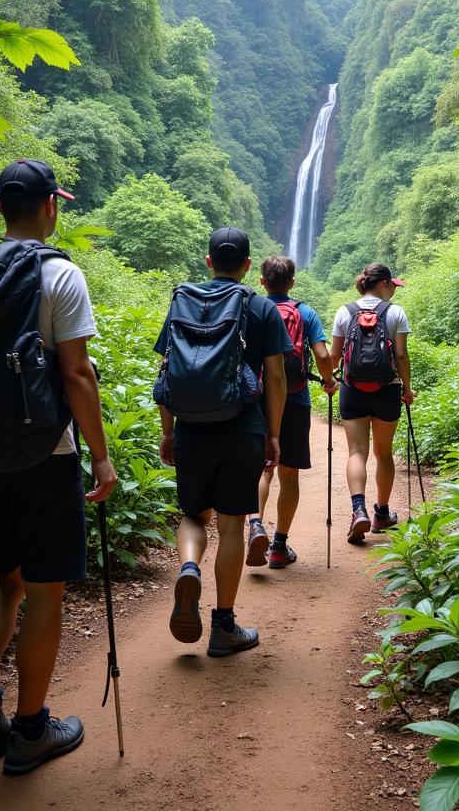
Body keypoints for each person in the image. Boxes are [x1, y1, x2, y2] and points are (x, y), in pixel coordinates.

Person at [0, 159, 117, 775]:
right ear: (51, 206)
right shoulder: (60, 275)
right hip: (46, 454)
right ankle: (31, 728)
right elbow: (75, 373)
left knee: (6, 576)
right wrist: (101, 457)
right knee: (46, 589)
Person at [155, 227, 290, 656]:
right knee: (231, 525)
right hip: (243, 429)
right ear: (249, 266)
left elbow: (167, 369)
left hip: (192, 428)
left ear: (209, 261)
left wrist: (168, 432)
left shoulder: (184, 300)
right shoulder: (262, 307)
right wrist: (273, 432)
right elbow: (277, 377)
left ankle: (189, 567)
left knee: (195, 515)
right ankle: (223, 626)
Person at [246, 255, 336, 569]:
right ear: (292, 282)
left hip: (255, 401)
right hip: (295, 401)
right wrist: (329, 380)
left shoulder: (252, 308)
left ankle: (255, 524)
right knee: (289, 474)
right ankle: (279, 546)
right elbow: (322, 354)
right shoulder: (305, 312)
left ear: (262, 281)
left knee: (262, 469)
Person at [330, 263, 414, 544]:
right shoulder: (395, 312)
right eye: (392, 286)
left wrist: (330, 381)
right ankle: (382, 513)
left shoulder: (345, 311)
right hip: (387, 391)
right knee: (384, 454)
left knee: (356, 452)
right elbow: (401, 356)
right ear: (383, 284)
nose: (393, 291)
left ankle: (357, 510)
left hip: (352, 390)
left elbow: (335, 356)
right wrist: (408, 388)